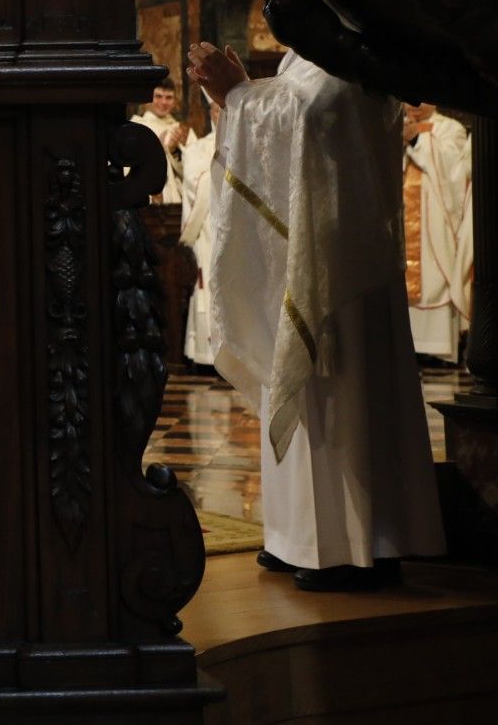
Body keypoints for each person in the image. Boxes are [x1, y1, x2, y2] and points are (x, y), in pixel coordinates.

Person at [189, 40, 444, 591]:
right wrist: (240, 98)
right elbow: (289, 112)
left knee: (342, 394)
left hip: (346, 263)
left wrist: (238, 93)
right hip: (312, 251)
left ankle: (365, 546)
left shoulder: (353, 43)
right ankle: (296, 536)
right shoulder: (303, 54)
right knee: (302, 388)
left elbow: (319, 115)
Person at [401, 102, 472, 363]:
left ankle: (435, 351)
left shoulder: (450, 128)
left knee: (435, 275)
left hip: (435, 224)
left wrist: (417, 139)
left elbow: (455, 172)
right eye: (410, 100)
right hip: (403, 217)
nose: (415, 105)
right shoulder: (392, 127)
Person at [179, 100, 220, 367]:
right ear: (210, 112)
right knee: (208, 283)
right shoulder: (199, 148)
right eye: (216, 107)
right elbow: (196, 184)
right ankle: (208, 355)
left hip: (235, 226)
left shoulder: (249, 142)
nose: (221, 112)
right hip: (208, 227)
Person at [131, 80, 194, 203]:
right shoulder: (136, 126)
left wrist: (174, 151)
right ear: (149, 98)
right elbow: (128, 166)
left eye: (169, 97)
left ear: (175, 100)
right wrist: (156, 149)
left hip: (176, 200)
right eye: (158, 96)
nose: (163, 102)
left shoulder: (181, 130)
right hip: (145, 199)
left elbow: (194, 171)